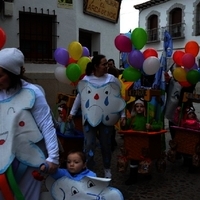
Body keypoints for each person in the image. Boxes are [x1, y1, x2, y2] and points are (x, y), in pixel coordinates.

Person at [0, 48, 59, 200]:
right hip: (3, 153)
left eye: (0, 75)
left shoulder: (32, 92)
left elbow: (46, 124)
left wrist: (53, 157)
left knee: (26, 196)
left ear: (13, 74)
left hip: (28, 155)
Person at [68, 54, 126, 178]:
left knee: (106, 144)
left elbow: (118, 98)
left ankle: (107, 168)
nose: (107, 66)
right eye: (104, 64)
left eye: (107, 64)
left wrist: (122, 115)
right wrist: (72, 112)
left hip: (106, 119)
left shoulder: (111, 79)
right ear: (96, 66)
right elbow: (80, 96)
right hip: (89, 118)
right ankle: (87, 169)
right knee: (89, 144)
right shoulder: (87, 80)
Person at [121, 98, 162, 185]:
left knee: (144, 159)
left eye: (141, 106)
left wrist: (151, 127)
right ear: (134, 108)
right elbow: (126, 127)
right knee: (133, 159)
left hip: (144, 143)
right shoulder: (132, 118)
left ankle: (146, 174)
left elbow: (159, 125)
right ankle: (133, 176)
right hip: (134, 143)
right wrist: (124, 124)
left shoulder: (149, 118)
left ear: (145, 108)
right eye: (137, 106)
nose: (139, 108)